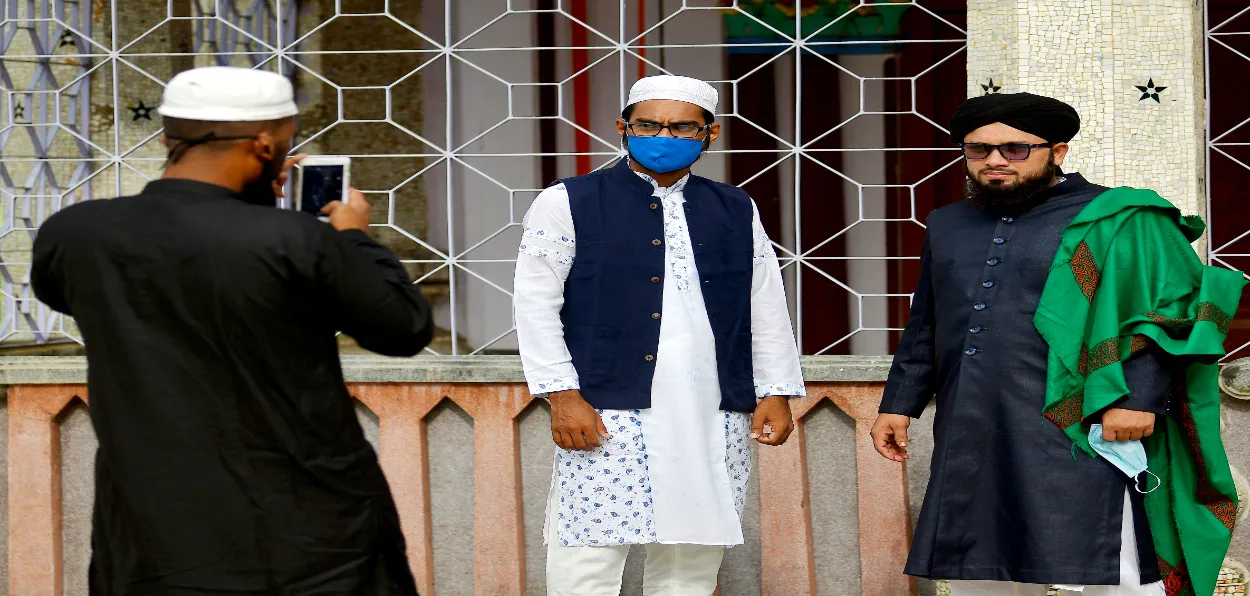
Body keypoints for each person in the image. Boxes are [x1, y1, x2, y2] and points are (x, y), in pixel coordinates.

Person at [31, 66, 433, 595]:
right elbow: (403, 328)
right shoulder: (296, 242)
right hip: (312, 540)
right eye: (287, 141)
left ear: (171, 137)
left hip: (154, 539)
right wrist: (355, 237)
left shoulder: (74, 233)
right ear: (265, 145)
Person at [871, 92, 1244, 596]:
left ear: (1059, 152)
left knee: (1117, 568)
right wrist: (899, 405)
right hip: (975, 422)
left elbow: (1164, 311)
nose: (995, 160)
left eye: (1015, 149)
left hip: (1084, 420)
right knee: (983, 568)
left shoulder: (1119, 216)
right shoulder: (949, 223)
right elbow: (927, 323)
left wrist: (1137, 399)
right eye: (978, 150)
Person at [513, 74, 806, 595]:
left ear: (709, 135)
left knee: (691, 558)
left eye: (681, 127)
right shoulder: (568, 202)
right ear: (623, 128)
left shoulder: (737, 208)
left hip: (710, 406)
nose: (664, 136)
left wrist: (776, 391)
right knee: (588, 554)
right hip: (606, 405)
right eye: (649, 124)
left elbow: (765, 304)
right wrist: (561, 395)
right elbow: (535, 306)